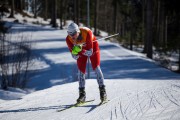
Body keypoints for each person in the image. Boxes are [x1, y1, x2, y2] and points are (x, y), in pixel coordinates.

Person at [66, 22, 107, 103]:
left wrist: (81, 49)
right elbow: (74, 56)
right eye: (70, 34)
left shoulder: (87, 33)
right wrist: (75, 53)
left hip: (92, 48)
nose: (72, 36)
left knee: (96, 68)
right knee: (81, 71)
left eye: (74, 34)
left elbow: (90, 53)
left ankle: (103, 91)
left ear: (78, 31)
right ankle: (82, 94)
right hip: (81, 51)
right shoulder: (68, 39)